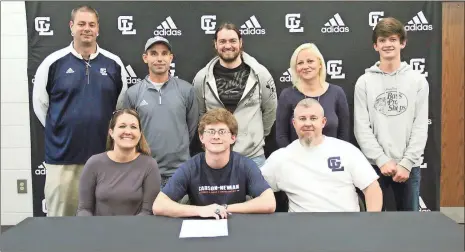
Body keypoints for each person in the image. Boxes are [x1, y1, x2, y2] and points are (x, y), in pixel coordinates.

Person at [32, 5, 128, 216]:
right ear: (71, 27)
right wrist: (63, 131)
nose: (87, 29)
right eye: (81, 24)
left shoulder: (114, 64)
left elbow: (120, 110)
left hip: (105, 159)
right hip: (63, 160)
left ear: (98, 29)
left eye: (91, 24)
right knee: (60, 223)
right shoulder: (52, 63)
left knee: (103, 223)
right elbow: (41, 106)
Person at [354, 17, 429, 211]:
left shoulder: (418, 81)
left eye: (393, 39)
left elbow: (420, 126)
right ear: (375, 46)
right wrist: (381, 160)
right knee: (378, 229)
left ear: (402, 43)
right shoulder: (364, 82)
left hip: (409, 169)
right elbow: (361, 128)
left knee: (410, 230)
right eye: (382, 40)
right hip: (375, 168)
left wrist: (406, 163)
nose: (387, 44)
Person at [261, 98, 383, 212]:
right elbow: (256, 189)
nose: (307, 123)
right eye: (302, 119)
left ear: (323, 122)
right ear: (294, 123)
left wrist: (370, 224)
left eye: (313, 118)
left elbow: (372, 188)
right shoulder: (280, 158)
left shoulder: (346, 150)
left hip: (346, 227)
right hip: (301, 229)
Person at [152, 108, 276, 219]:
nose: (216, 136)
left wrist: (223, 209)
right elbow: (159, 205)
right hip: (200, 227)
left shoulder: (245, 165)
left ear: (233, 137)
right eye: (210, 131)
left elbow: (269, 202)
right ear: (201, 137)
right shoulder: (190, 167)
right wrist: (201, 210)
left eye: (222, 132)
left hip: (236, 225)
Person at [192, 23, 277, 168]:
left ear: (240, 43)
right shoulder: (202, 79)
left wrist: (254, 137)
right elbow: (201, 115)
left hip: (253, 157)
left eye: (232, 41)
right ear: (215, 44)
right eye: (222, 41)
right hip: (216, 157)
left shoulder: (260, 75)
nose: (228, 45)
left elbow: (270, 111)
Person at [123, 36, 198, 187]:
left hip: (180, 171)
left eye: (164, 53)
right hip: (144, 170)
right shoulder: (133, 93)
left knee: (179, 211)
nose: (159, 58)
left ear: (171, 58)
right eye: (154, 53)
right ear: (145, 58)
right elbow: (128, 132)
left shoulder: (186, 90)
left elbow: (192, 127)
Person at [77, 109, 161, 216]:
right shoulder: (93, 163)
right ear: (111, 132)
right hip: (99, 230)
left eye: (133, 127)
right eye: (122, 126)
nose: (128, 131)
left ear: (140, 134)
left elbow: (147, 211)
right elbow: (84, 209)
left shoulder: (150, 165)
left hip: (135, 230)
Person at [276, 43, 350, 148]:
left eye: (310, 61)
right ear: (295, 68)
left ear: (320, 64)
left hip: (330, 160)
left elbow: (344, 135)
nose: (305, 66)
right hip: (297, 161)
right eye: (300, 63)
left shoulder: (337, 93)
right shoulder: (287, 95)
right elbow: (281, 136)